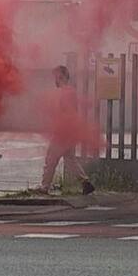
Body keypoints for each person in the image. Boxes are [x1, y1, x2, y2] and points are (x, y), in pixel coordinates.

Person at [40, 65, 95, 195]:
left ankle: (44, 187)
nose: (55, 81)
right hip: (69, 132)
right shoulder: (71, 92)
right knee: (70, 159)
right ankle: (85, 182)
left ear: (61, 77)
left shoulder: (66, 93)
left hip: (63, 132)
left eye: (56, 77)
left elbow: (66, 113)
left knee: (51, 159)